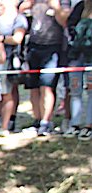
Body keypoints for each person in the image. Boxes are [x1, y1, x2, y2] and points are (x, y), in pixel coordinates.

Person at [22, 0, 71, 136]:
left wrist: (56, 7)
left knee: (47, 86)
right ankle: (37, 120)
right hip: (33, 45)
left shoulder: (61, 2)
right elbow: (20, 10)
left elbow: (64, 21)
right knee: (33, 87)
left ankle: (46, 121)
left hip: (52, 46)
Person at [0, 0, 27, 136]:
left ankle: (8, 122)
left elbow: (17, 38)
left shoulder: (18, 19)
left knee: (8, 92)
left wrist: (0, 39)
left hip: (10, 60)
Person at [69, 0, 92, 140]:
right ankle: (75, 124)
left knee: (91, 91)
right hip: (77, 56)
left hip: (90, 58)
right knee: (75, 90)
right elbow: (70, 26)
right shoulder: (80, 7)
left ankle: (89, 125)